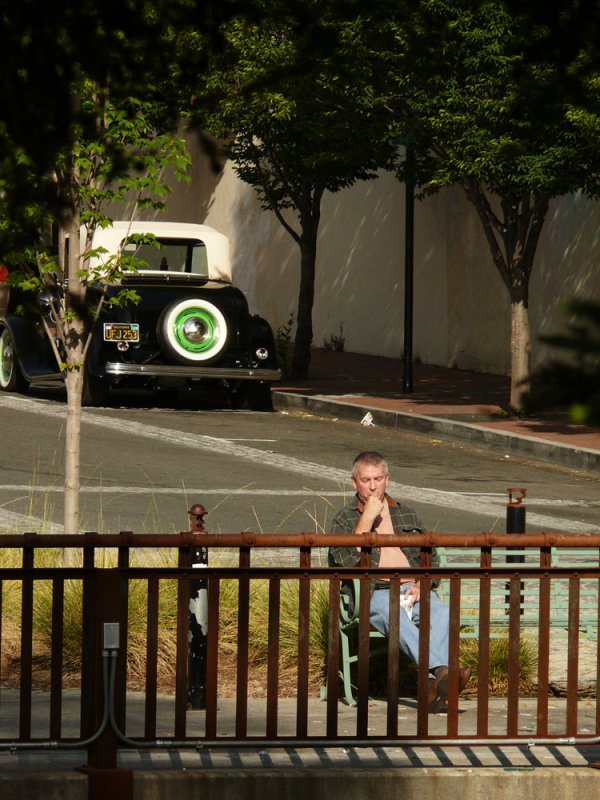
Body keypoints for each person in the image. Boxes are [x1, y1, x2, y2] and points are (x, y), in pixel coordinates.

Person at [329, 450, 471, 712]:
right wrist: (367, 517)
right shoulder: (345, 518)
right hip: (375, 591)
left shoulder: (407, 514)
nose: (372, 486)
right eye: (365, 480)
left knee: (442, 612)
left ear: (387, 479)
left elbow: (431, 557)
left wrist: (420, 583)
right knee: (393, 611)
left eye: (378, 479)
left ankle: (434, 682)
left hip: (412, 587)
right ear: (354, 482)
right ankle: (440, 671)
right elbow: (347, 561)